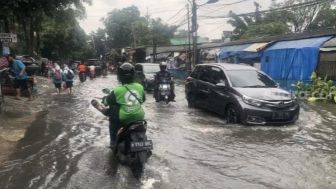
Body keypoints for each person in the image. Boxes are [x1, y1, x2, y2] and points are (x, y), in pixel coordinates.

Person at [93, 63, 146, 148]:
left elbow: (107, 102)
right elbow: (143, 100)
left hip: (124, 118)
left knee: (112, 120)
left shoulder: (117, 90)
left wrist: (104, 100)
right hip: (140, 117)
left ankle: (113, 141)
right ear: (133, 75)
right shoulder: (140, 87)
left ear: (120, 76)